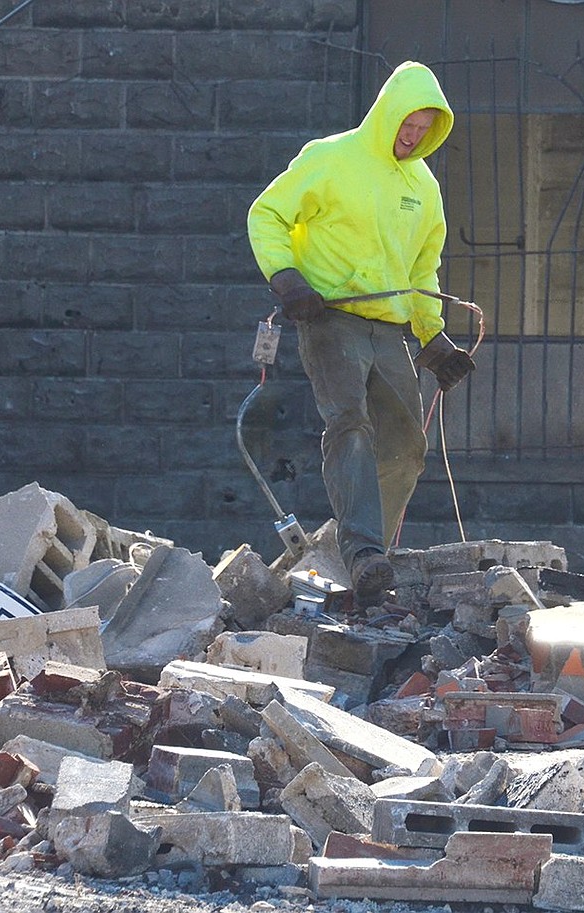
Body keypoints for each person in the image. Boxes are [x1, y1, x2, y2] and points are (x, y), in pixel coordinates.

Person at [247, 60, 475, 605]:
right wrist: (286, 277)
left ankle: (372, 562)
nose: (412, 137)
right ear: (386, 113)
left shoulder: (423, 186)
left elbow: (422, 272)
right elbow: (268, 214)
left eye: (424, 131)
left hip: (389, 327)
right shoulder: (329, 158)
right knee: (349, 423)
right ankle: (365, 553)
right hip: (328, 317)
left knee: (407, 445)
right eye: (406, 125)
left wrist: (432, 336)